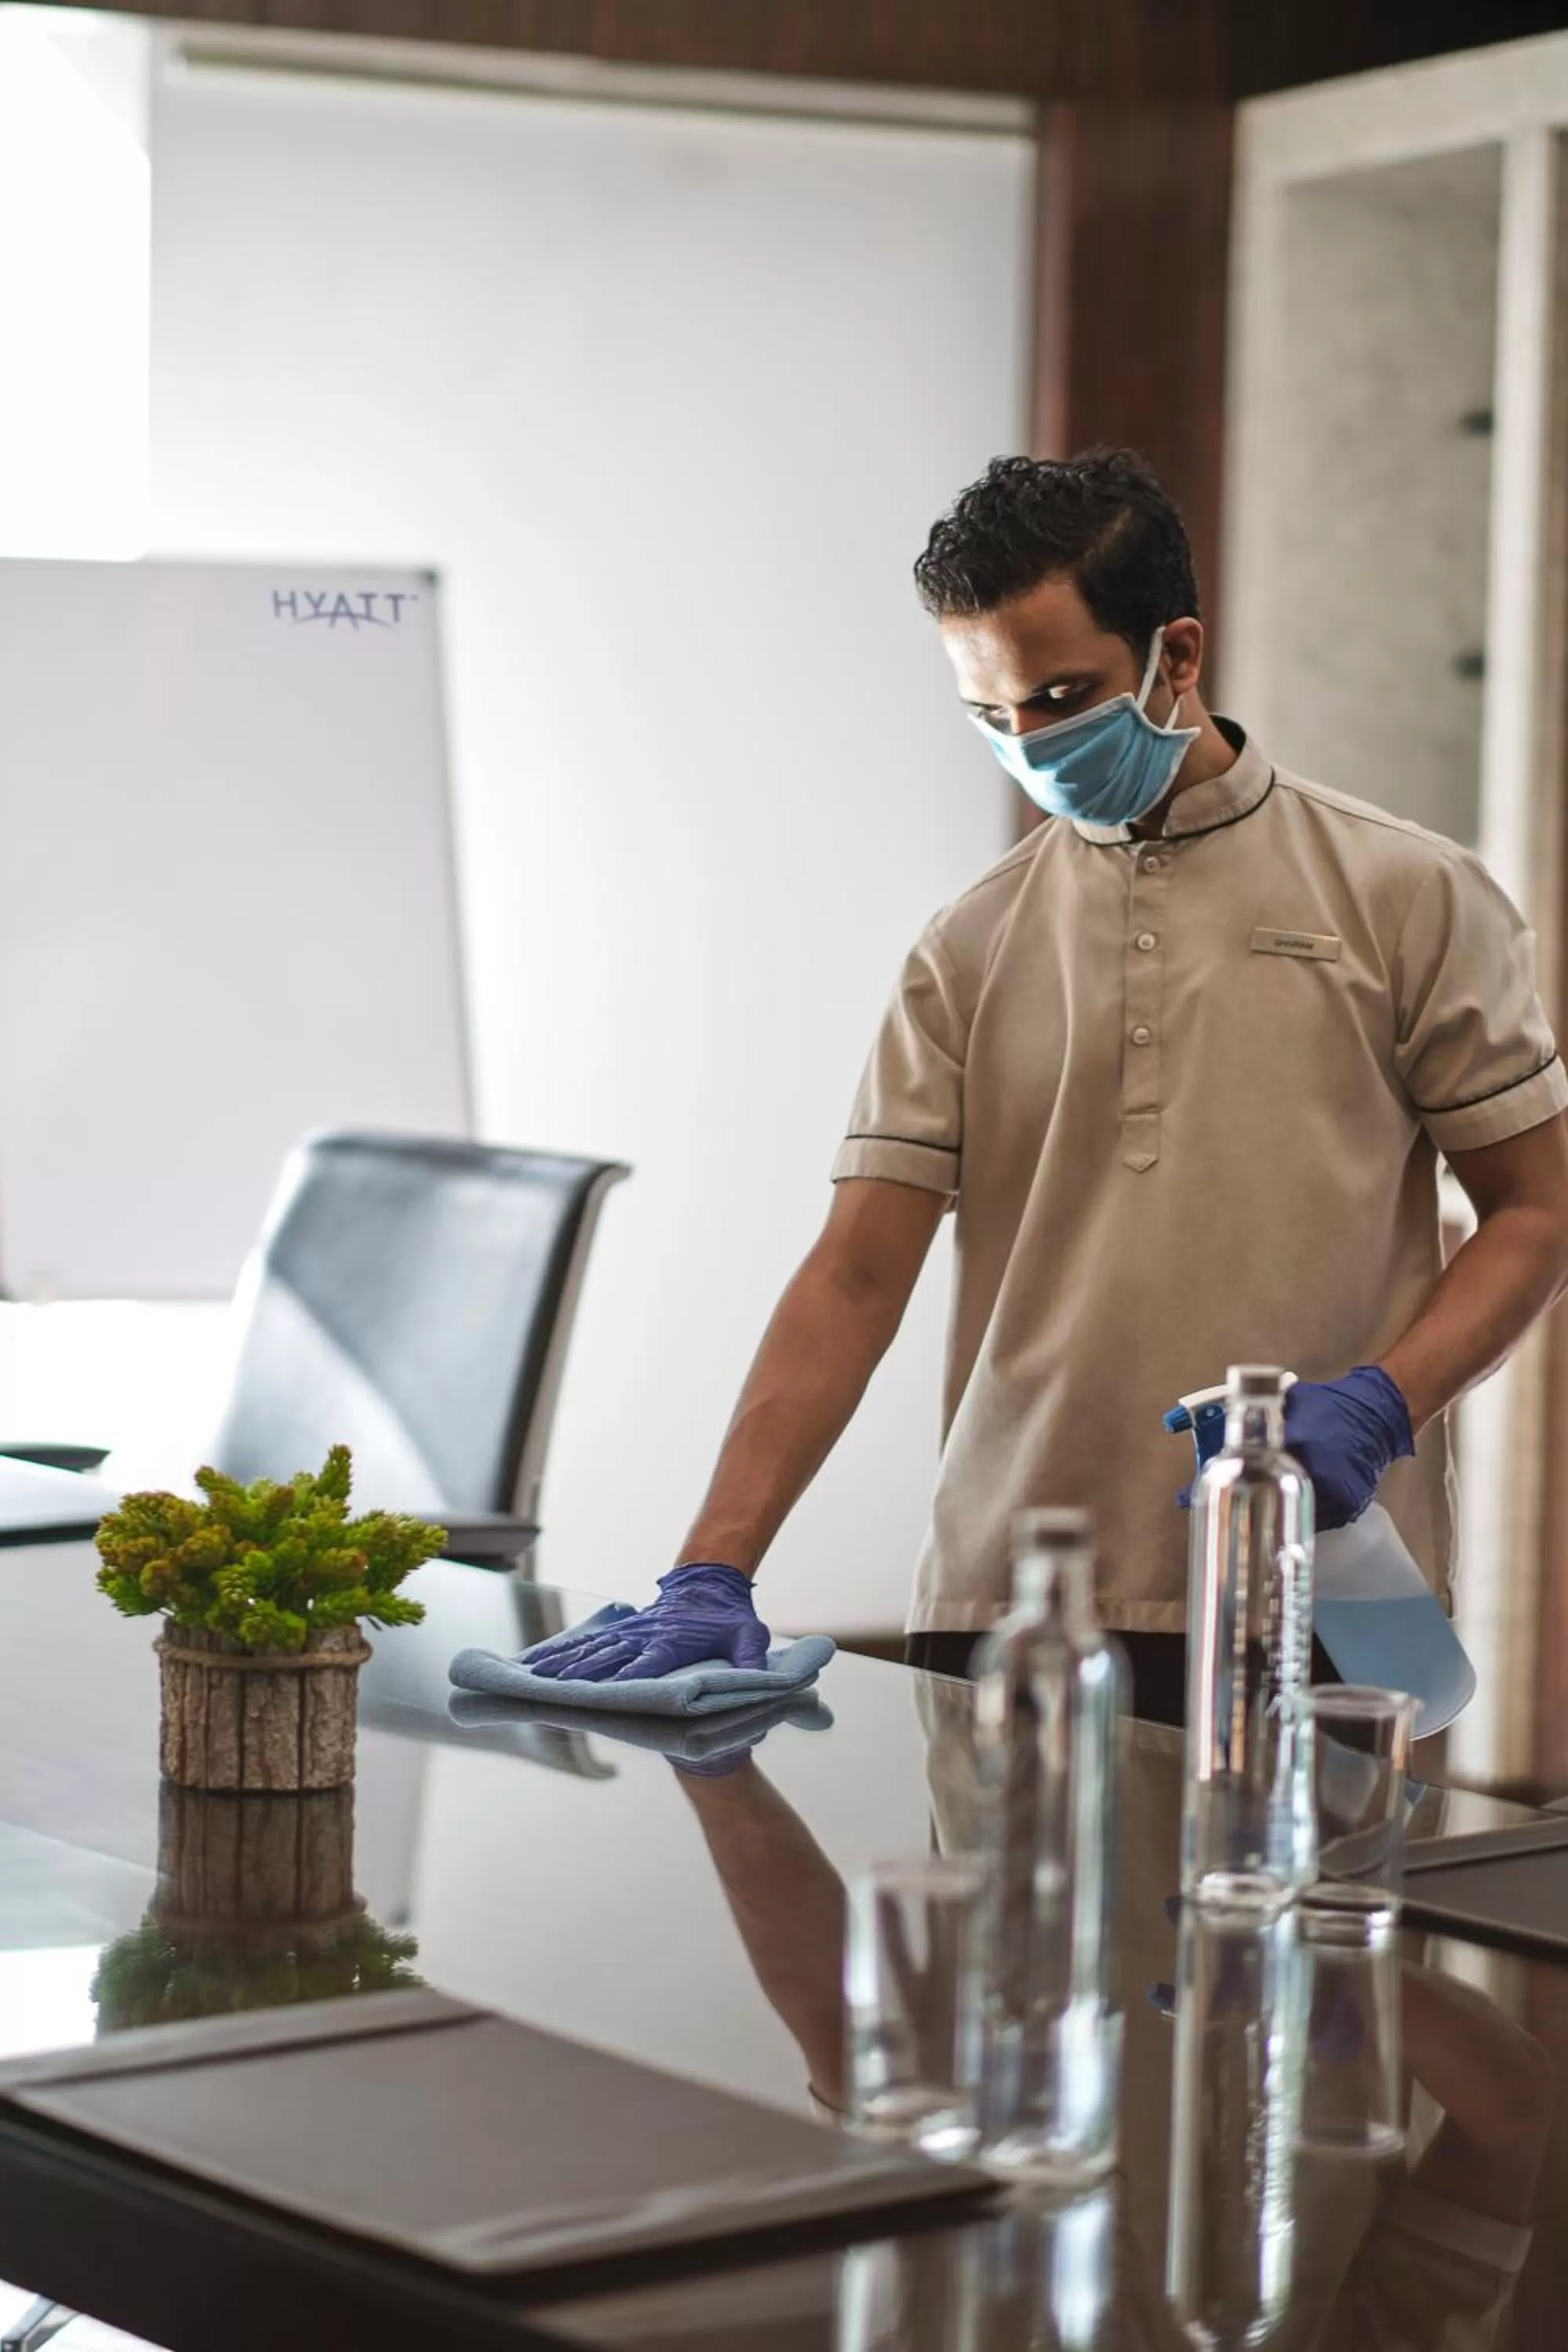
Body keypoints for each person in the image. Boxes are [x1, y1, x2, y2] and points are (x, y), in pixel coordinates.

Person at [527, 448, 1568, 1724]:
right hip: (1008, 1604)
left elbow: (1538, 1210)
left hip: (1331, 1587)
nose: (1030, 744)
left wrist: (1383, 1404)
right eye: (992, 714)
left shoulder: (1410, 893)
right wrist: (712, 1563)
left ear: (1177, 655)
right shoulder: (967, 944)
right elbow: (856, 1274)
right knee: (1001, 1930)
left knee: (1320, 1924)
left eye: (1064, 695)